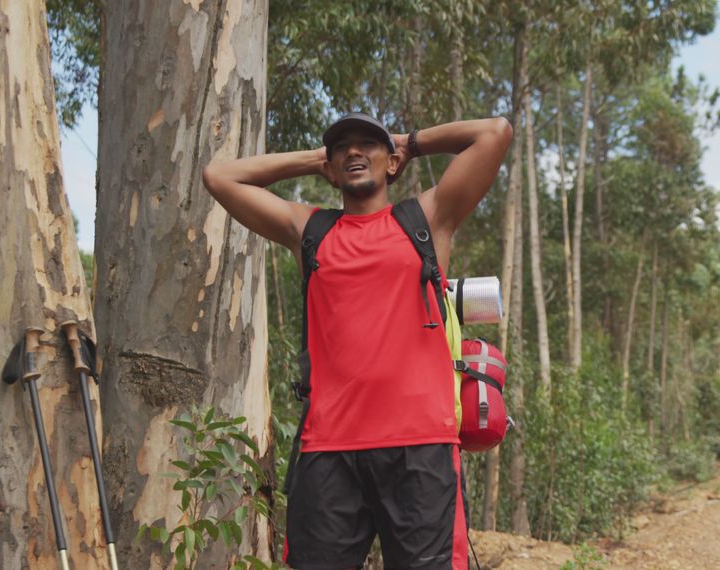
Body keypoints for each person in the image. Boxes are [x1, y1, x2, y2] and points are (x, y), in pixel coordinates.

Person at [203, 112, 512, 569]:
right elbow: (219, 176)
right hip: (329, 450)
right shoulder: (310, 230)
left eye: (367, 143)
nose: (353, 151)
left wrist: (408, 142)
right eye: (342, 146)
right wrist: (316, 160)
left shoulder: (426, 219)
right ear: (331, 168)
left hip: (421, 447)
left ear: (391, 162)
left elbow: (495, 133)